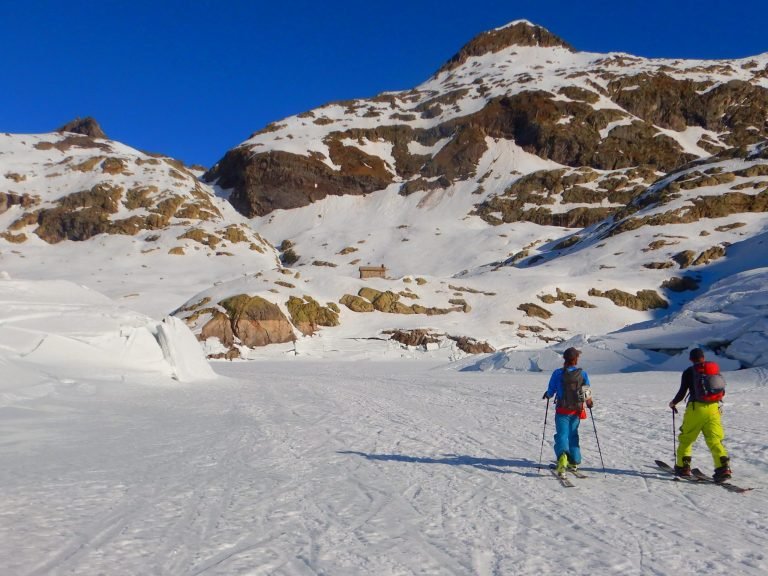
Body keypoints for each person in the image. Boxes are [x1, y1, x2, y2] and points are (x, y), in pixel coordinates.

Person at [669, 348, 731, 481]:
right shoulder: (712, 370)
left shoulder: (689, 372)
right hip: (714, 408)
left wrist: (673, 403)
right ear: (703, 357)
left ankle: (683, 467)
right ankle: (723, 468)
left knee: (687, 438)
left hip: (696, 409)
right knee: (714, 439)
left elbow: (682, 392)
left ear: (691, 359)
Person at [542, 347, 593, 476]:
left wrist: (547, 395)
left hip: (562, 410)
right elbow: (586, 392)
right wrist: (589, 403)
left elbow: (551, 390)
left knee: (562, 435)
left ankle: (562, 459)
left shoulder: (557, 373)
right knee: (573, 435)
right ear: (576, 359)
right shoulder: (582, 374)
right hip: (576, 410)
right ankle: (574, 461)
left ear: (564, 359)